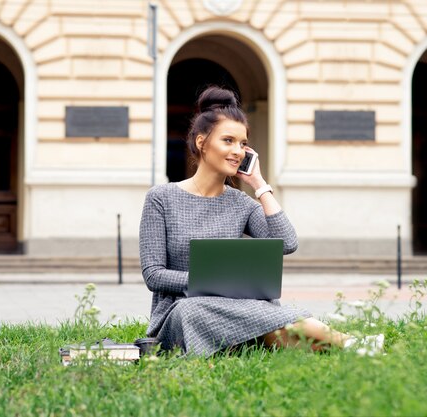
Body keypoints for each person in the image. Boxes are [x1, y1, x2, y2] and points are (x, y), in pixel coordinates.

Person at [139, 85, 383, 356]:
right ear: (201, 142)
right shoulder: (161, 197)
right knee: (194, 308)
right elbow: (154, 275)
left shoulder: (241, 203)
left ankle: (352, 346)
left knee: (265, 315)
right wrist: (209, 282)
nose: (238, 151)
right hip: (180, 313)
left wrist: (260, 184)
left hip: (236, 306)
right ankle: (350, 344)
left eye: (243, 143)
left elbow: (287, 243)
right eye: (228, 141)